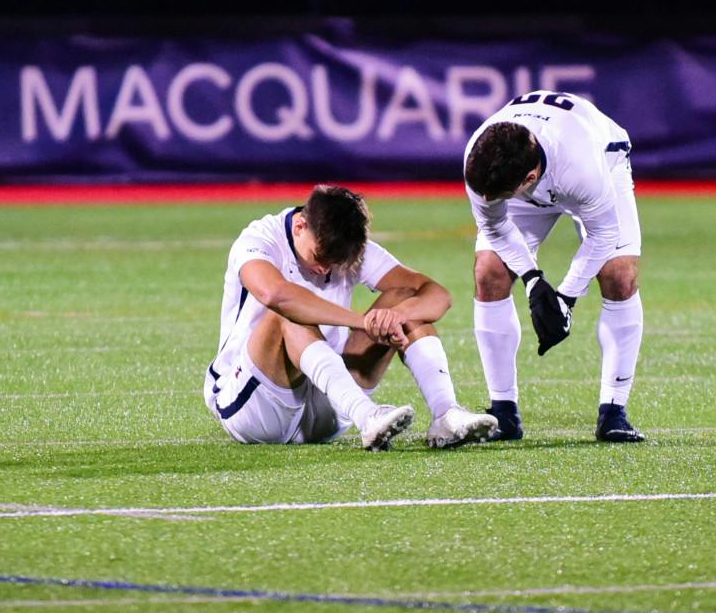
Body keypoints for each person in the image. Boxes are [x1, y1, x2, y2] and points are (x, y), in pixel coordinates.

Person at [204, 184, 497, 449]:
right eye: (320, 258)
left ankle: (446, 414)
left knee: (406, 297)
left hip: (329, 405)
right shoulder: (260, 239)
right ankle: (367, 416)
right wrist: (362, 322)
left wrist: (395, 316)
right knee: (286, 313)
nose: (325, 270)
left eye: (337, 263)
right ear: (300, 226)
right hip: (253, 403)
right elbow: (276, 295)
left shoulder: (351, 248)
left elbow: (438, 296)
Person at [462, 91, 647, 443]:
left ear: (529, 179)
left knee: (619, 275)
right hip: (535, 174)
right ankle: (503, 412)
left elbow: (603, 234)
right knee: (489, 273)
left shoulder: (581, 167)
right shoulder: (479, 158)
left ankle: (614, 411)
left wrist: (566, 297)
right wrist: (534, 281)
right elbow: (495, 227)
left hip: (603, 162)